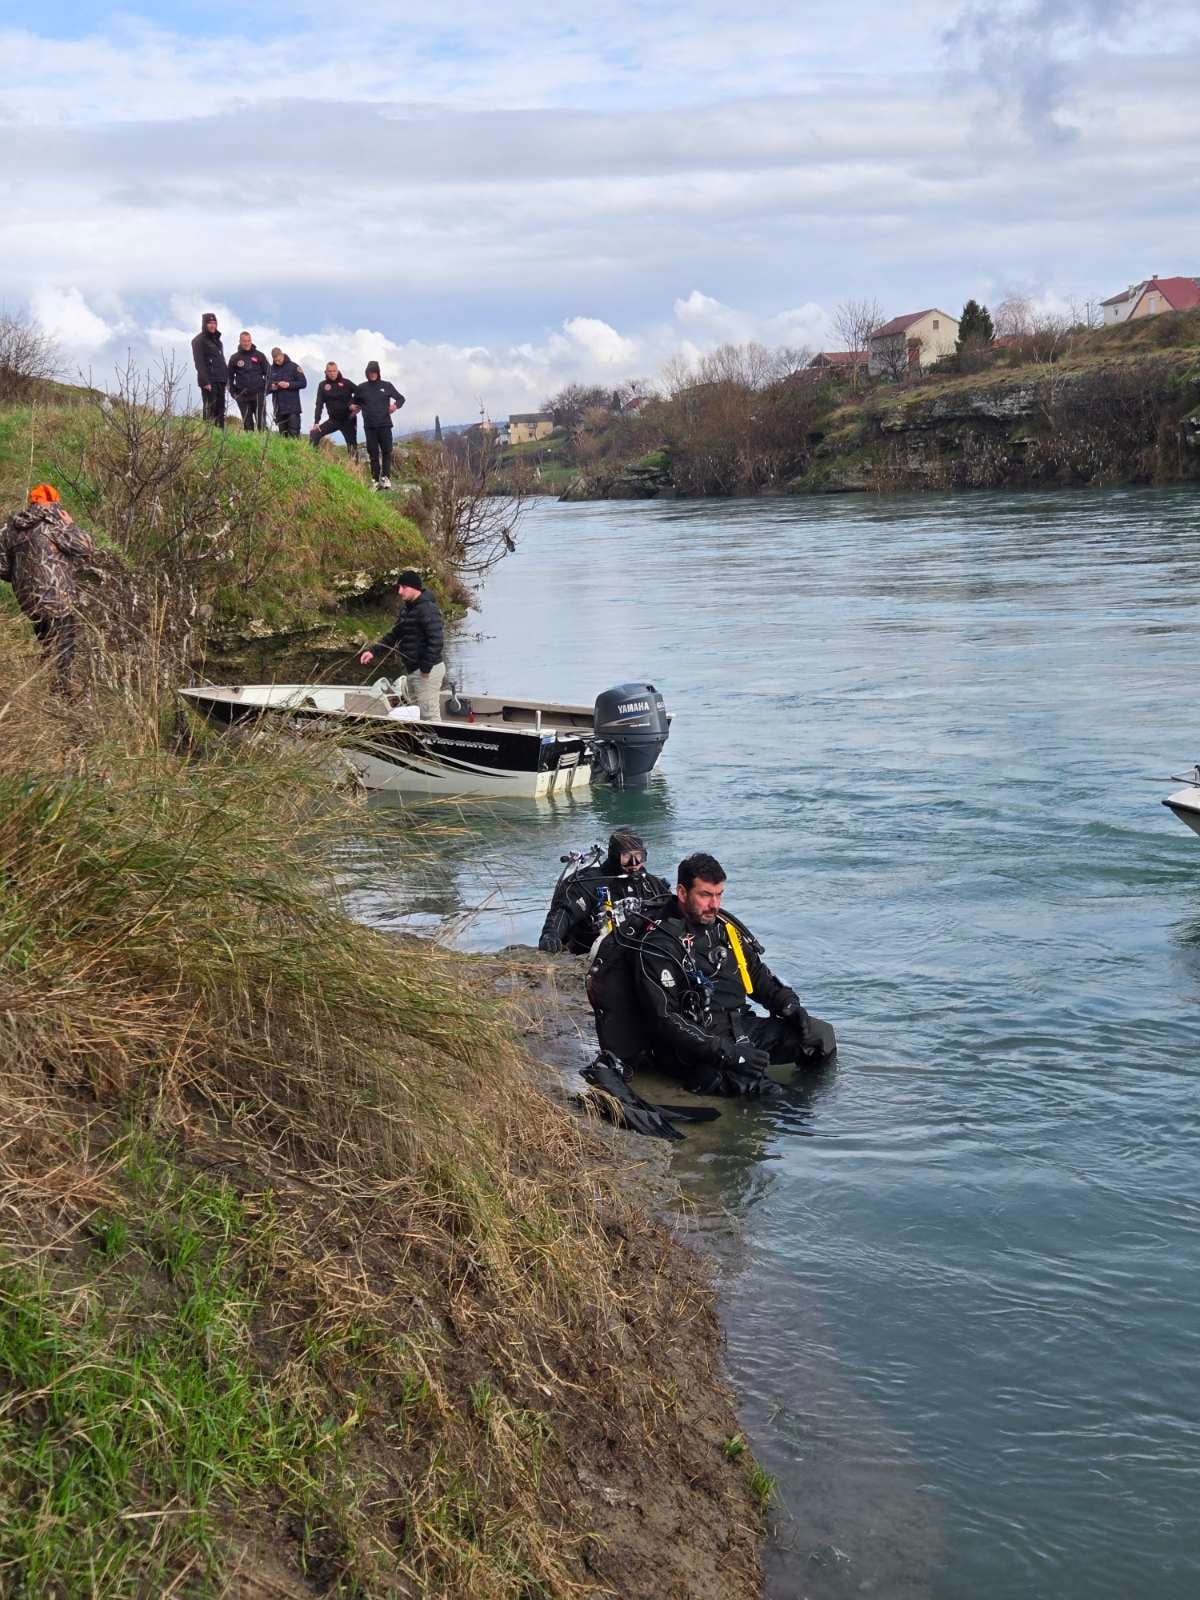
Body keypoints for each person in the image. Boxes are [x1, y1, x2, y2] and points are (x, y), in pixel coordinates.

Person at [629, 851, 836, 1096]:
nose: (714, 905)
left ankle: (809, 1098)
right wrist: (729, 1053)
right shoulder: (658, 944)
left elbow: (757, 976)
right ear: (682, 892)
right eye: (705, 895)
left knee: (821, 1036)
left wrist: (789, 1005)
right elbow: (666, 1020)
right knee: (775, 1097)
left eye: (719, 895)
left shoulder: (724, 930)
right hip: (696, 1046)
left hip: (740, 1027)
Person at [0, 483, 97, 689]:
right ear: (53, 502)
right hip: (57, 599)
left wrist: (21, 578)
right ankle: (61, 692)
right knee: (64, 650)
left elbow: (2, 568)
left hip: (28, 602)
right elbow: (86, 548)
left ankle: (43, 688)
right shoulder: (55, 522)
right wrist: (70, 525)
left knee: (47, 643)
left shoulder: (10, 528)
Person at [538, 828, 670, 954]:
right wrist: (551, 934)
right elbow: (565, 910)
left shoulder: (650, 884)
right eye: (626, 856)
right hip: (592, 952)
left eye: (638, 855)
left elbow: (674, 910)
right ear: (614, 855)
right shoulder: (589, 882)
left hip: (641, 951)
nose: (634, 862)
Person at [357, 569, 444, 718]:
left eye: (403, 587)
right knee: (415, 712)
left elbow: (436, 641)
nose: (399, 591)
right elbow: (394, 635)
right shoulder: (407, 610)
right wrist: (373, 651)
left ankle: (438, 741)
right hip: (413, 671)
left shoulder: (428, 609)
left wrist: (425, 668)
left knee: (429, 716)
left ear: (414, 588)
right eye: (399, 587)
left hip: (427, 672)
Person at [351, 361, 404, 488]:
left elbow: (401, 398)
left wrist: (395, 406)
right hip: (370, 426)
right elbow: (353, 402)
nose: (372, 374)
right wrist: (353, 406)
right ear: (367, 373)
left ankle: (385, 478)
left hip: (385, 424)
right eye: (370, 372)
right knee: (373, 453)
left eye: (375, 372)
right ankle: (375, 480)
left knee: (387, 451)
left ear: (378, 372)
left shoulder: (386, 385)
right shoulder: (362, 388)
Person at [309, 362, 358, 457]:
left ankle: (354, 469)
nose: (332, 373)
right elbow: (319, 404)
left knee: (352, 448)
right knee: (314, 433)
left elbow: (360, 393)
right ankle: (312, 459)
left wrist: (353, 403)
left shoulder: (346, 382)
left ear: (338, 371)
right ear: (326, 372)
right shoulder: (322, 385)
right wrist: (316, 422)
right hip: (333, 420)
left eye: (334, 371)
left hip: (348, 420)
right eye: (329, 371)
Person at [227, 330, 270, 431]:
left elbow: (269, 373)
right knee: (247, 424)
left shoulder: (260, 356)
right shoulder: (234, 358)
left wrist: (266, 391)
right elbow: (229, 377)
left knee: (261, 423)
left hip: (258, 395)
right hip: (242, 396)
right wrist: (234, 394)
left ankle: (263, 444)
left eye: (248, 340)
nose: (247, 343)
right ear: (240, 342)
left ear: (251, 341)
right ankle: (250, 445)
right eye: (244, 341)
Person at [191, 312, 227, 427]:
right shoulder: (198, 340)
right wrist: (205, 381)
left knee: (221, 409)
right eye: (210, 323)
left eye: (214, 323)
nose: (213, 325)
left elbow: (221, 361)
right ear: (204, 324)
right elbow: (199, 362)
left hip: (221, 380)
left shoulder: (218, 341)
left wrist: (226, 379)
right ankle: (207, 435)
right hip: (209, 381)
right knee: (209, 408)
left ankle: (220, 436)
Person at [267, 347, 307, 437]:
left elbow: (303, 383)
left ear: (282, 355)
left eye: (279, 359)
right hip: (279, 410)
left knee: (294, 435)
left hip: (293, 409)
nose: (277, 361)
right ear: (272, 358)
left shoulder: (294, 367)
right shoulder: (270, 369)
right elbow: (265, 388)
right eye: (275, 360)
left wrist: (288, 385)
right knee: (283, 437)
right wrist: (271, 388)